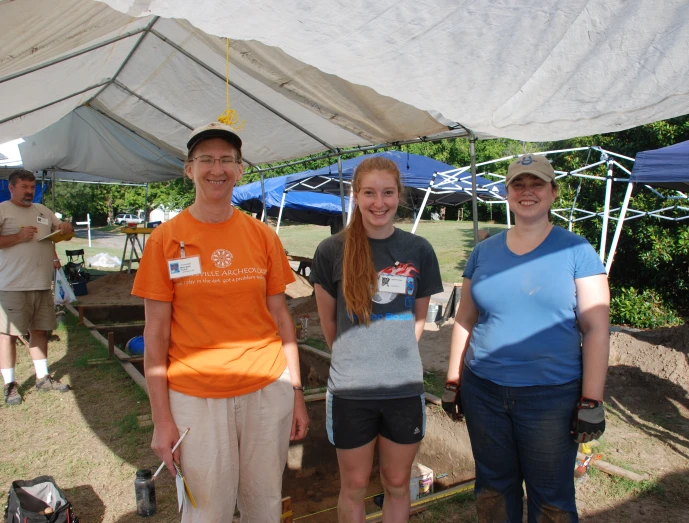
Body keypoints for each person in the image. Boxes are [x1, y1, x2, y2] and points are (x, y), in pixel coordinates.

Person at [131, 122, 310, 523]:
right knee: (206, 510)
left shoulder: (262, 235)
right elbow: (155, 333)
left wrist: (296, 392)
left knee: (264, 503)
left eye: (227, 159)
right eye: (206, 159)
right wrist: (162, 420)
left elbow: (280, 316)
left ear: (240, 169)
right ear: (188, 169)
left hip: (268, 389)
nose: (217, 168)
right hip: (197, 396)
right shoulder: (164, 240)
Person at [444, 154, 610, 523]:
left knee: (552, 497)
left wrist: (591, 399)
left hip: (550, 397)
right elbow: (465, 319)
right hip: (483, 391)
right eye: (518, 184)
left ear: (553, 192)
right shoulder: (484, 252)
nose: (527, 191)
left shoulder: (577, 251)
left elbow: (596, 328)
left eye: (536, 183)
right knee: (492, 488)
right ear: (507, 194)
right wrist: (454, 381)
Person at [309, 157, 443, 523]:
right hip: (352, 391)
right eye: (369, 193)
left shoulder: (418, 250)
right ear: (356, 196)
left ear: (399, 196)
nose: (378, 202)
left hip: (403, 388)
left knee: (397, 481)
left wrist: (394, 356)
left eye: (387, 193)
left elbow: (418, 319)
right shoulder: (331, 250)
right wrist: (359, 360)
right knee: (353, 485)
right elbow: (330, 325)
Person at [0, 169, 74, 406]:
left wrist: (66, 227)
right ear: (11, 188)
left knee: (40, 330)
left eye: (32, 187)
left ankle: (42, 378)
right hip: (12, 284)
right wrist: (18, 237)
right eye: (24, 187)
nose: (29, 192)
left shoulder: (42, 210)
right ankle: (10, 384)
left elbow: (62, 230)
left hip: (42, 284)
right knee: (7, 336)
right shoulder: (2, 209)